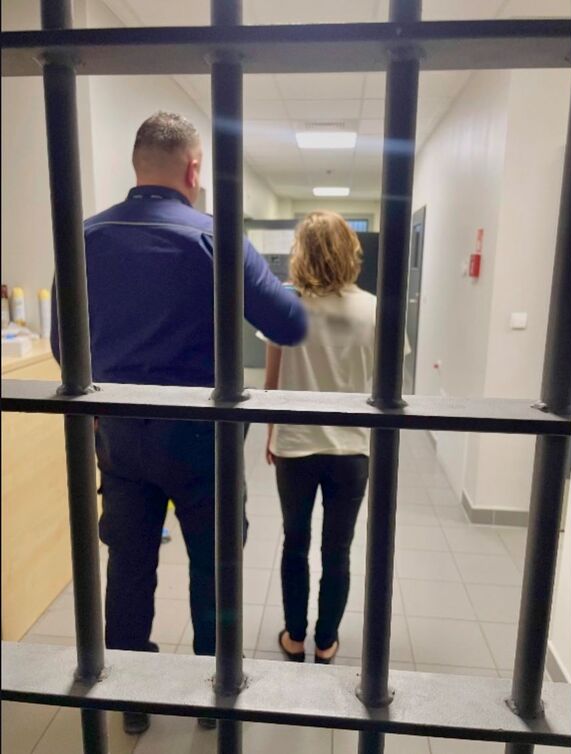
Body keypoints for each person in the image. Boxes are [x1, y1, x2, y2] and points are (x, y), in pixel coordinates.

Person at [50, 111, 307, 734]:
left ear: (136, 165)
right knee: (213, 569)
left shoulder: (84, 237)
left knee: (129, 568)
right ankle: (213, 695)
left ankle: (130, 697)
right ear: (194, 169)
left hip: (119, 436)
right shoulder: (216, 239)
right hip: (202, 440)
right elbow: (288, 323)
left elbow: (63, 344)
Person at [264, 211, 408, 664]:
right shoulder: (376, 309)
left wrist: (271, 435)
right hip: (352, 449)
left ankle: (295, 638)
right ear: (351, 250)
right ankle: (326, 642)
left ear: (301, 253)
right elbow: (389, 388)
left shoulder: (285, 307)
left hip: (295, 445)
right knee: (338, 550)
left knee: (295, 544)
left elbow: (271, 384)